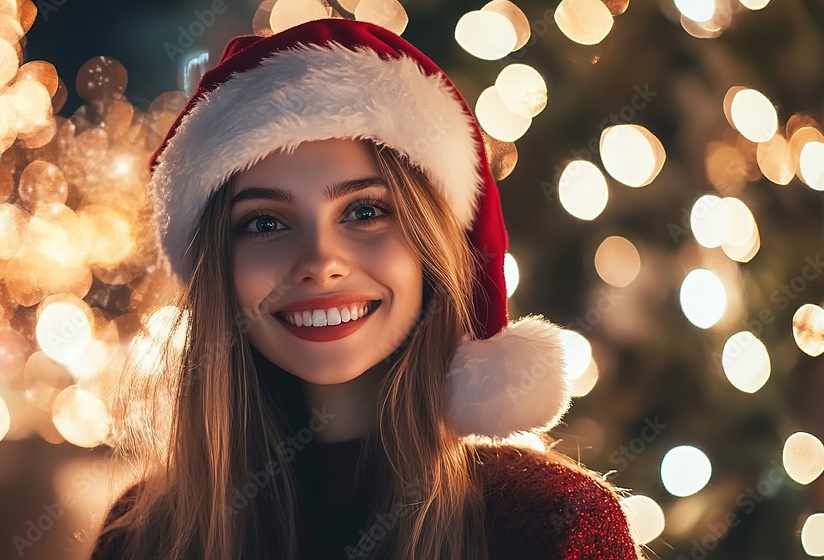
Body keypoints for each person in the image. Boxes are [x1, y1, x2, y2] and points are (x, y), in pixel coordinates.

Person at [91, 17, 641, 560]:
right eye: (264, 223)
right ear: (220, 274)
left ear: (431, 246)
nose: (319, 262)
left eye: (364, 210)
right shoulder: (146, 533)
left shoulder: (548, 520)